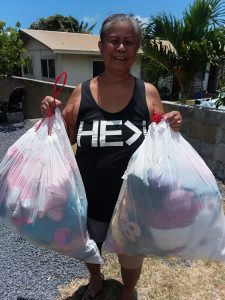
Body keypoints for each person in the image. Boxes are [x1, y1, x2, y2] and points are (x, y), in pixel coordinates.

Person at [41, 13, 182, 300]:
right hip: (91, 195)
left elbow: (162, 137)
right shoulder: (81, 93)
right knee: (91, 244)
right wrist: (51, 116)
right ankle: (95, 278)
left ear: (136, 48)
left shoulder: (148, 92)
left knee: (132, 255)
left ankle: (128, 290)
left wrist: (174, 124)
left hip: (135, 198)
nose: (121, 48)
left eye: (129, 42)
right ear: (101, 46)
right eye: (114, 41)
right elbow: (64, 138)